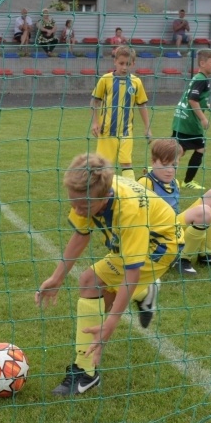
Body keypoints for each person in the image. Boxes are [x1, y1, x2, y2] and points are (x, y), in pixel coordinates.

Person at [35, 153, 179, 396]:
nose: (77, 210)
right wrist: (57, 277)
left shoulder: (129, 211)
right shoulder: (87, 194)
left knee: (93, 285)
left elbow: (131, 273)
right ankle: (145, 292)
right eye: (72, 202)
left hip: (160, 245)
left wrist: (111, 323)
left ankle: (86, 372)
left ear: (104, 197)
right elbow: (81, 234)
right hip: (134, 240)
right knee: (95, 288)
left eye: (82, 206)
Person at [139, 138, 211, 272]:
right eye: (165, 165)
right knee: (203, 212)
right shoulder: (145, 183)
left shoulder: (174, 182)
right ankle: (181, 258)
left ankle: (206, 253)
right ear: (153, 162)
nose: (170, 170)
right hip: (158, 234)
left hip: (174, 226)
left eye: (174, 165)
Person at [90, 45, 151, 180]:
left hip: (126, 131)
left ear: (133, 63)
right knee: (103, 165)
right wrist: (95, 122)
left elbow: (142, 105)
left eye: (128, 64)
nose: (124, 67)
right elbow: (95, 101)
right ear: (115, 61)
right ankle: (100, 189)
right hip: (106, 131)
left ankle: (131, 189)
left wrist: (147, 127)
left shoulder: (136, 82)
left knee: (126, 162)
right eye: (121, 63)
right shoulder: (105, 79)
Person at [171, 48, 211, 190]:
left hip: (181, 118)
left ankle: (158, 169)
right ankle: (186, 181)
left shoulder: (198, 77)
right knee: (199, 148)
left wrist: (206, 105)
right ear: (202, 63)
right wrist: (203, 118)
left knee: (178, 150)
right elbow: (192, 99)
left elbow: (194, 97)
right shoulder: (202, 80)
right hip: (190, 122)